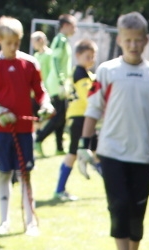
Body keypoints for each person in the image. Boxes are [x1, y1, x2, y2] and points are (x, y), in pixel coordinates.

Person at [77, 12, 149, 250]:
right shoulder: (107, 71)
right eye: (127, 40)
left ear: (145, 41)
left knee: (137, 211)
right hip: (111, 152)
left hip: (142, 155)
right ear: (120, 40)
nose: (133, 45)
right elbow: (93, 108)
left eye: (137, 40)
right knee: (118, 206)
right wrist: (84, 144)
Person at [0, 16, 52, 236]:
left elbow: (41, 91)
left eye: (17, 43)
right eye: (9, 43)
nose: (13, 48)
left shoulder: (30, 63)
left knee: (25, 174)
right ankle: (4, 221)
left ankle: (30, 223)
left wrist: (46, 105)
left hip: (25, 130)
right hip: (1, 130)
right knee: (4, 173)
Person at [55, 38, 98, 201]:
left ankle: (113, 188)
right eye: (88, 56)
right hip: (79, 117)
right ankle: (59, 189)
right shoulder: (80, 73)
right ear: (78, 55)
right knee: (72, 153)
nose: (91, 60)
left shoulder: (86, 74)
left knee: (97, 150)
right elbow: (89, 97)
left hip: (86, 117)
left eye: (93, 56)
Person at [35, 15, 76, 156]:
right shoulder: (60, 40)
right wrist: (60, 81)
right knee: (57, 117)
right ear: (65, 25)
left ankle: (59, 148)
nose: (74, 28)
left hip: (61, 83)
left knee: (62, 117)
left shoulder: (63, 40)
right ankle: (38, 140)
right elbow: (56, 61)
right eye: (73, 25)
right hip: (57, 84)